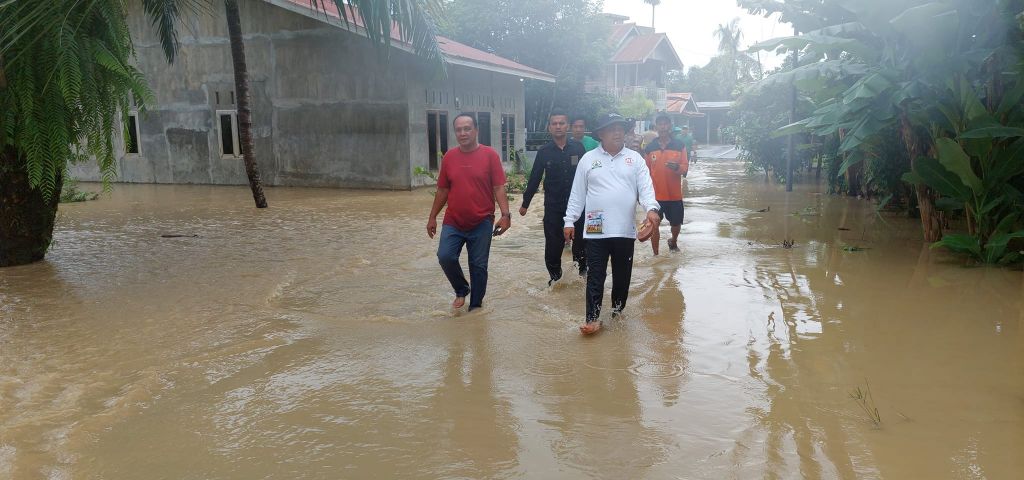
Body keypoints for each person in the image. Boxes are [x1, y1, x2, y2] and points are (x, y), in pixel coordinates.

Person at [563, 113, 660, 335]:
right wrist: (569, 221)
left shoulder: (634, 159)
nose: (618, 133)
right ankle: (592, 319)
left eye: (620, 128)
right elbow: (577, 194)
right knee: (595, 275)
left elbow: (646, 189)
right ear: (601, 134)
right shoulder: (588, 159)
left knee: (622, 278)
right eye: (612, 129)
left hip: (625, 231)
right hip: (595, 230)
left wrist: (652, 210)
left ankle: (617, 313)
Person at [426, 113, 512, 311]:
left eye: (467, 128)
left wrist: (506, 216)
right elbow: (443, 190)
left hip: (481, 220)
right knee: (445, 256)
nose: (463, 133)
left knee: (478, 266)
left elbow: (499, 187)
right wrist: (432, 217)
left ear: (476, 130)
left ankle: (475, 307)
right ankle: (462, 289)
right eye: (458, 129)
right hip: (454, 220)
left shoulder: (490, 155)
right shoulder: (449, 157)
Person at [520, 111, 587, 284]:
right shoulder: (544, 152)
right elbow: (535, 177)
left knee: (582, 245)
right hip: (553, 207)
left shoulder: (578, 148)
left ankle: (581, 277)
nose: (558, 126)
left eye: (562, 123)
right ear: (549, 127)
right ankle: (555, 279)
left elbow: (589, 176)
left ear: (568, 126)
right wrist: (525, 204)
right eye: (554, 123)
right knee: (553, 246)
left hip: (579, 206)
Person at [643, 113, 688, 255]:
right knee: (654, 225)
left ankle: (673, 240)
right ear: (656, 126)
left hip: (674, 195)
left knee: (676, 224)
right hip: (655, 196)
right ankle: (655, 254)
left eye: (666, 124)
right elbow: (645, 173)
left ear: (670, 126)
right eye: (660, 124)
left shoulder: (679, 145)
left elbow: (685, 167)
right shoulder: (650, 148)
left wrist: (677, 168)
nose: (663, 127)